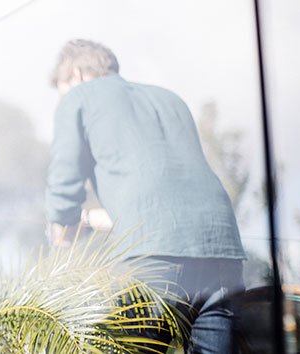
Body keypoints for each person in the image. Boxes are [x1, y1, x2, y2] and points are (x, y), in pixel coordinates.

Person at [45, 39, 246, 353]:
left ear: (77, 74)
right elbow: (162, 190)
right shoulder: (169, 99)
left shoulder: (79, 98)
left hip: (152, 257)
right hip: (221, 249)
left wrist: (62, 233)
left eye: (62, 89)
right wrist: (92, 218)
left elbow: (64, 182)